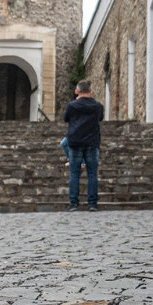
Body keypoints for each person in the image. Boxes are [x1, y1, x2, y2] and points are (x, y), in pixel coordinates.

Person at [63, 81, 103, 211]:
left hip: (75, 142)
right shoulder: (98, 106)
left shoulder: (72, 105)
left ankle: (73, 203)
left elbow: (66, 119)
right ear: (90, 90)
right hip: (92, 141)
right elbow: (100, 119)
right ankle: (92, 204)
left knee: (74, 174)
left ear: (77, 91)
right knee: (92, 174)